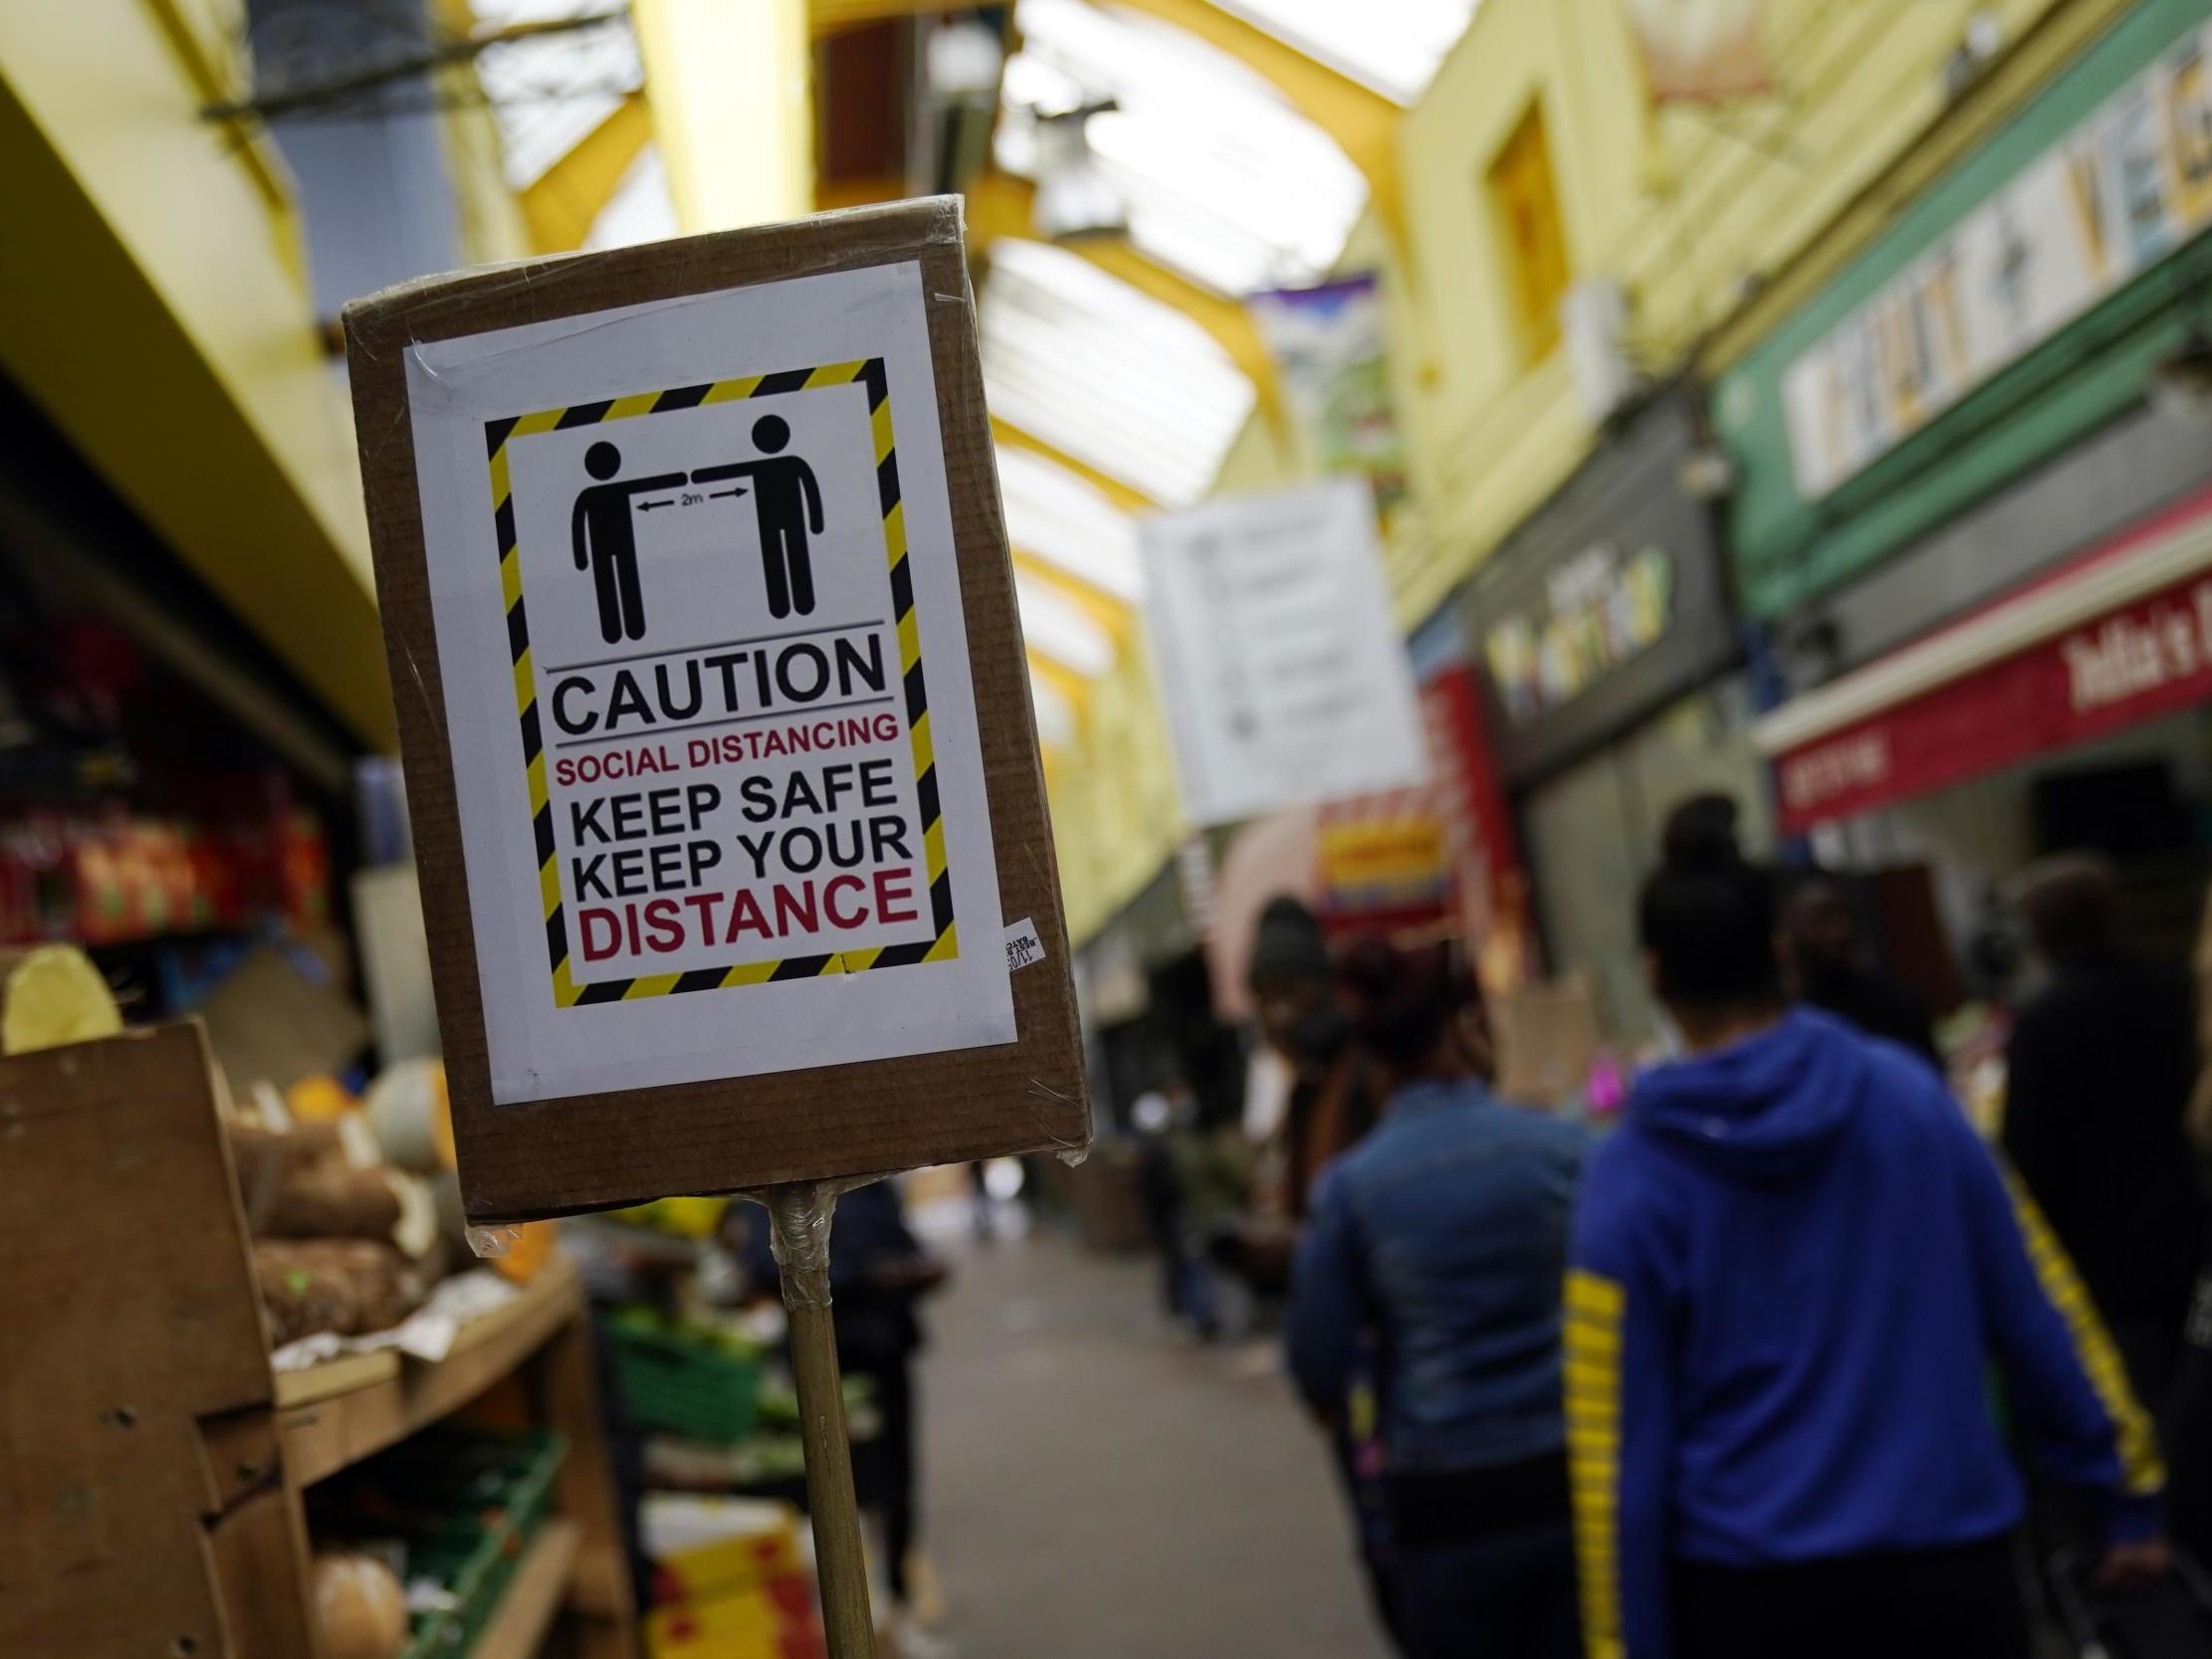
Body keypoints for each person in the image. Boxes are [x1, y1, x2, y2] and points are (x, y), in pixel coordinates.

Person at [1568, 815, 2169, 1659]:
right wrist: (2124, 1493)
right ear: (1779, 953)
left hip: (1751, 1599)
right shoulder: (1911, 1101)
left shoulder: (1630, 1175)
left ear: (1654, 975)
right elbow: (2040, 1306)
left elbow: (1617, 1450)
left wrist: (1622, 1641)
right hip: (1949, 1575)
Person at [1288, 934, 1589, 1659]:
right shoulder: (1567, 1150)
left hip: (1443, 1508)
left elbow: (1319, 1367)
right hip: (1573, 1481)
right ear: (1461, 1027)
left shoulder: (1353, 1189)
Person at [2004, 854, 2206, 1407]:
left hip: (2105, 1262)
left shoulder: (2040, 1023)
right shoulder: (2177, 993)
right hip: (2193, 1231)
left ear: (2041, 933)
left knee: (2149, 1398)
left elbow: (2028, 1154)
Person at [743, 1179, 944, 1637]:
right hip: (826, 1360)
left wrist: (919, 1270)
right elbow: (760, 1267)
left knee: (896, 1481)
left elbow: (903, 1244)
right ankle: (850, 1614)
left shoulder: (872, 1186)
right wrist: (864, 1276)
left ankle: (897, 1604)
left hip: (886, 1353)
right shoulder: (774, 1188)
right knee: (836, 1489)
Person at [1778, 869, 1942, 1067]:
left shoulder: (1898, 1006)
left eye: (1843, 916)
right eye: (1821, 920)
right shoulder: (1779, 1028)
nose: (1839, 933)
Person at [693, 414, 824, 620]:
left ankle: (802, 603)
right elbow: (726, 472)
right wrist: (695, 477)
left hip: (788, 521)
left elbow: (811, 490)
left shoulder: (792, 463)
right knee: (775, 560)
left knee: (794, 558)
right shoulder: (785, 463)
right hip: (771, 522)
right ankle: (781, 606)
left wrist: (816, 522)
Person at [571, 440, 685, 643]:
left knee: (626, 582)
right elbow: (578, 526)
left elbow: (652, 484)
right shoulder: (590, 495)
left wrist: (681, 479)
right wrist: (581, 558)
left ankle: (634, 628)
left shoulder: (600, 492)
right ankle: (613, 631)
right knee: (607, 585)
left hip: (623, 545)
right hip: (604, 549)